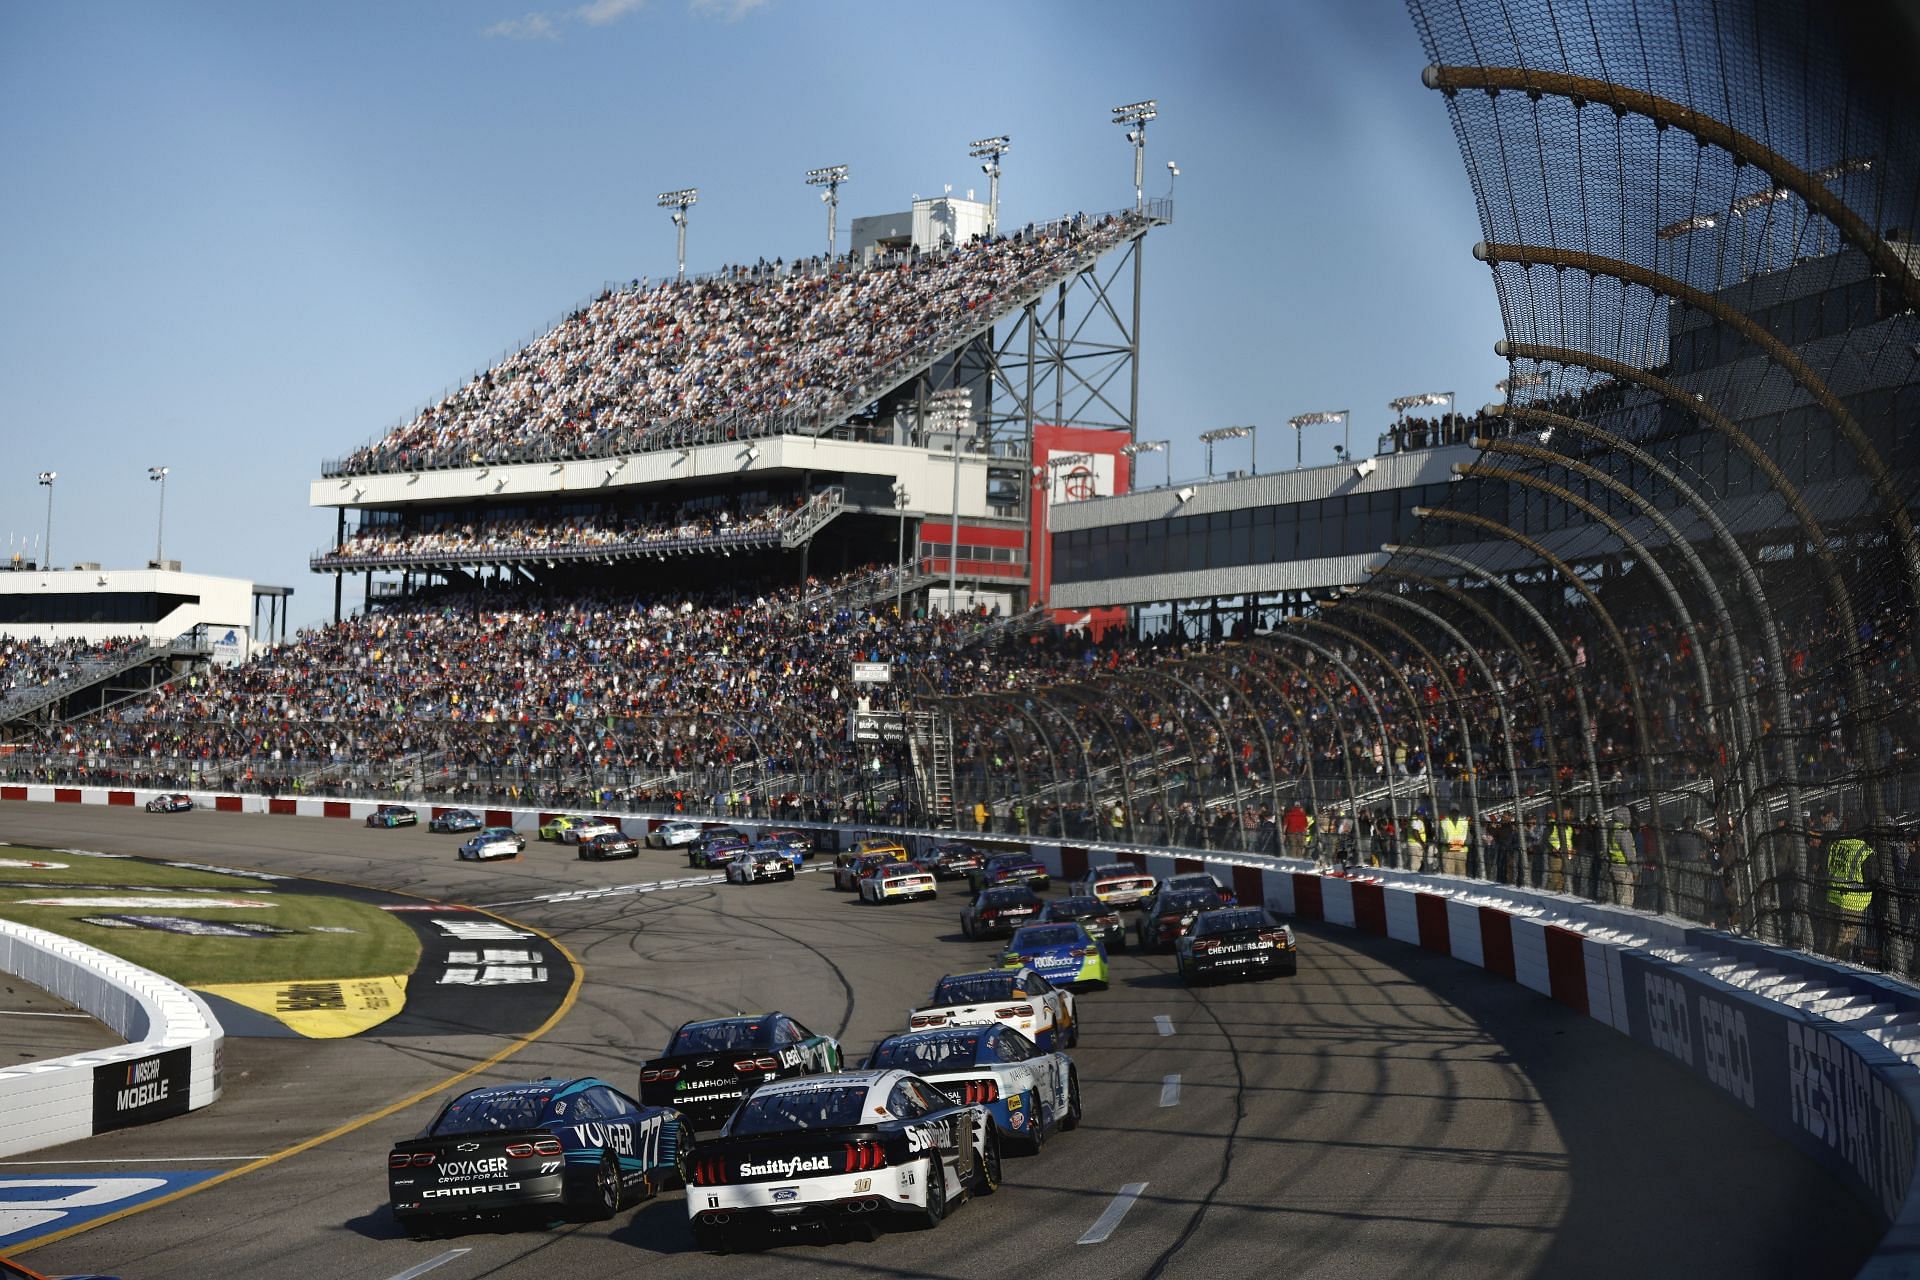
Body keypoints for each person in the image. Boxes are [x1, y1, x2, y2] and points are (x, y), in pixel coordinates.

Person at [1818, 829, 1876, 962]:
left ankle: (1825, 963)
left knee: (1830, 936)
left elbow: (1825, 866)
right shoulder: (1864, 850)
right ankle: (1836, 968)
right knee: (1845, 940)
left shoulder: (1837, 844)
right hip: (1852, 902)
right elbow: (1872, 877)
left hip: (1833, 897)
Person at [1603, 808, 1637, 906]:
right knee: (1625, 900)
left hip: (1614, 867)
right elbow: (1629, 853)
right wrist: (1635, 870)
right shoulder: (1624, 832)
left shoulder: (1612, 831)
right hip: (1624, 869)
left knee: (1616, 897)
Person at [1439, 806, 1470, 877]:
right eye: (1453, 812)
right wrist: (1447, 844)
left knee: (1461, 874)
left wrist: (1460, 844)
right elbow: (1440, 838)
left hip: (1461, 852)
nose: (1454, 814)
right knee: (1448, 874)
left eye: (1456, 812)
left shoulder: (1464, 823)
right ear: (1450, 812)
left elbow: (1469, 839)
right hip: (1447, 852)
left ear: (1459, 812)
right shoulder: (1444, 822)